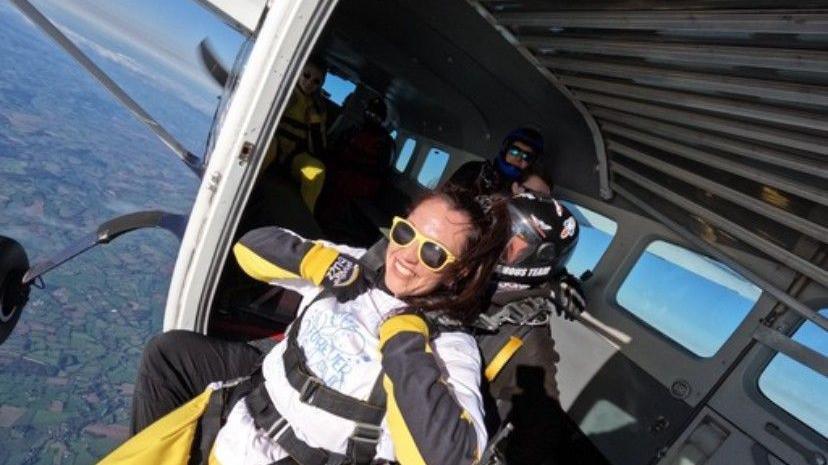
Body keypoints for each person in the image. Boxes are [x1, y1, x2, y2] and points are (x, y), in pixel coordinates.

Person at [122, 186, 510, 465]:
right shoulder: (359, 266)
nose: (407, 255)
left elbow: (449, 456)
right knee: (169, 354)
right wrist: (317, 263)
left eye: (433, 252)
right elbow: (251, 246)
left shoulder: (449, 345)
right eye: (405, 232)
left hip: (295, 454)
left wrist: (404, 338)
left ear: (457, 273)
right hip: (249, 405)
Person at [475, 192, 585, 465]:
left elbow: (542, 429)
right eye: (493, 230)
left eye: (506, 239)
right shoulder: (462, 272)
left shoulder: (529, 340)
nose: (491, 241)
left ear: (535, 259)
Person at [315, 96, 396, 245]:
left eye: (376, 116)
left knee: (344, 192)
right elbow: (336, 151)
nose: (372, 118)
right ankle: (319, 222)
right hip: (341, 174)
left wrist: (355, 168)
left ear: (381, 120)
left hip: (363, 183)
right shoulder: (352, 131)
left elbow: (382, 171)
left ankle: (333, 231)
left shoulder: (385, 142)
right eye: (370, 113)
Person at [262, 58, 330, 213]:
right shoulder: (284, 92)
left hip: (294, 157)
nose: (309, 83)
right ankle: (247, 191)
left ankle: (303, 218)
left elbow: (318, 152)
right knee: (268, 147)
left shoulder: (319, 108)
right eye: (306, 75)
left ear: (320, 85)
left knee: (316, 170)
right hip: (274, 146)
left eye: (316, 81)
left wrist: (315, 123)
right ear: (299, 72)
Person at [447, 127, 545, 196]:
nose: (519, 158)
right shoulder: (474, 169)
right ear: (505, 149)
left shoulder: (526, 191)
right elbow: (446, 198)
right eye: (515, 151)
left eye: (526, 156)